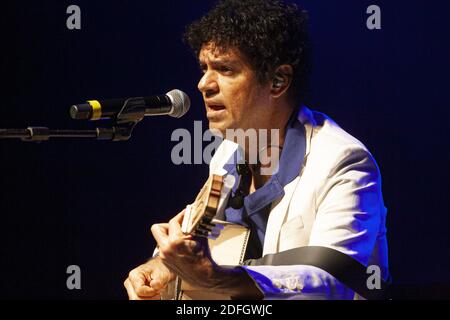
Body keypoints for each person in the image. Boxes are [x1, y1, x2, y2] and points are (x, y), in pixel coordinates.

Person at [123, 0, 389, 300]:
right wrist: (161, 266)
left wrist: (217, 280)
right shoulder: (227, 153)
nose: (203, 84)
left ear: (278, 81)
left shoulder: (343, 161)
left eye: (225, 69)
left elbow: (332, 282)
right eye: (204, 68)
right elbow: (199, 247)